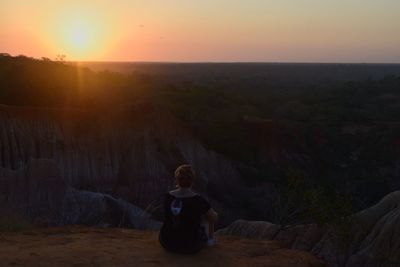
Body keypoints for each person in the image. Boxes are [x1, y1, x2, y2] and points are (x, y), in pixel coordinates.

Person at [159, 164, 218, 254]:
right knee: (208, 216)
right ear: (192, 180)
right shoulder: (198, 200)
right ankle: (210, 240)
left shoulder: (168, 196)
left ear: (177, 179)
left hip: (167, 242)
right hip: (191, 245)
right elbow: (213, 218)